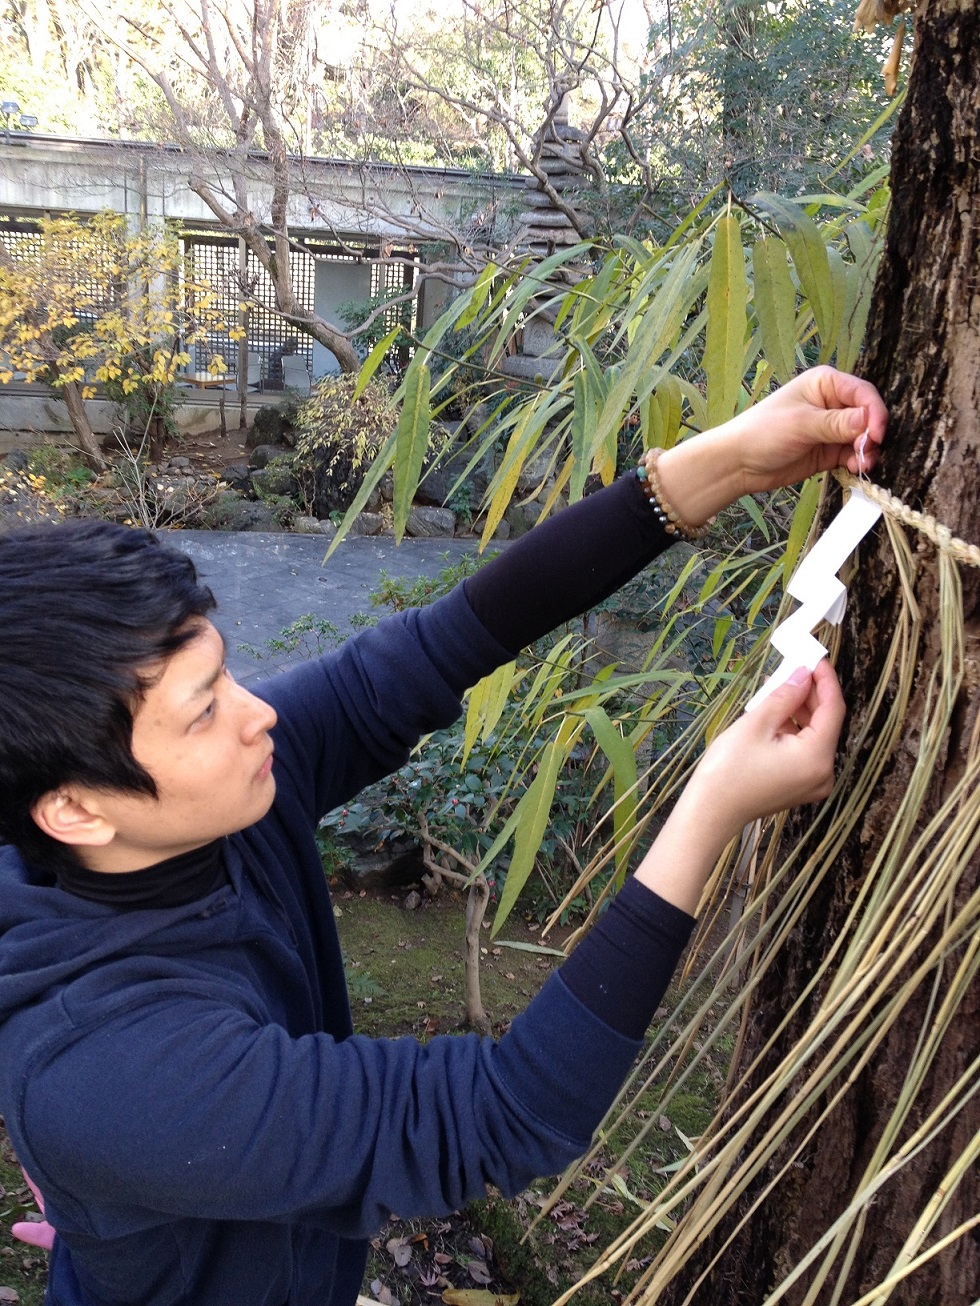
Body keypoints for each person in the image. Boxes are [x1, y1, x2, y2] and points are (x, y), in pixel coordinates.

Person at [0, 366, 886, 1306]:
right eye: (202, 710)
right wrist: (708, 807)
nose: (259, 716)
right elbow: (511, 1114)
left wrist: (713, 467)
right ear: (75, 809)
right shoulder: (112, 1075)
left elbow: (438, 646)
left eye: (228, 675)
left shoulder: (177, 820)